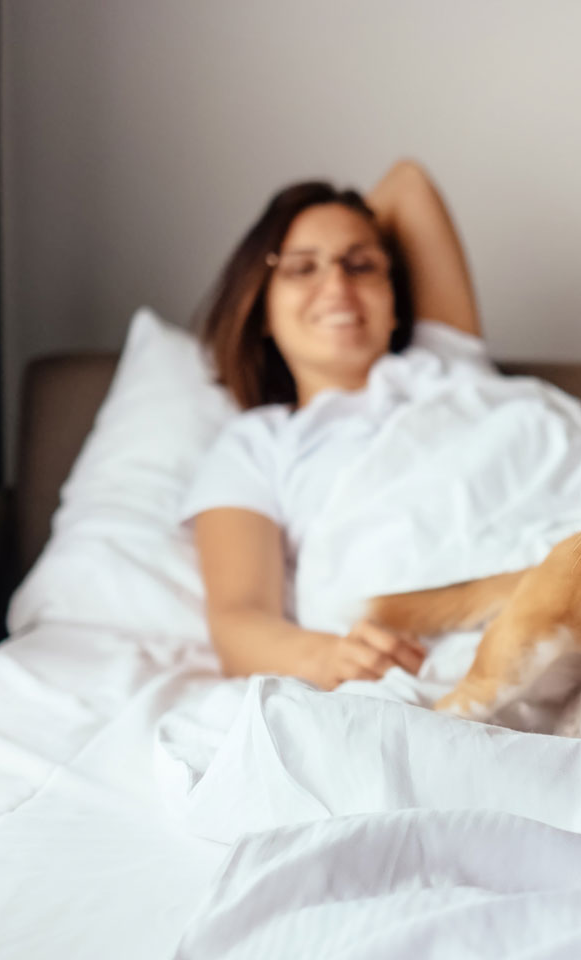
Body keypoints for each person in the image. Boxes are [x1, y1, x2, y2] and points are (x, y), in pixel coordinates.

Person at [183, 160, 482, 690]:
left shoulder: (447, 365)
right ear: (263, 310)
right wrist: (330, 657)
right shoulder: (257, 444)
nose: (337, 283)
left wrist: (332, 228)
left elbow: (408, 183)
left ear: (395, 303)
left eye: (361, 265)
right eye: (302, 269)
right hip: (429, 645)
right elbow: (238, 620)